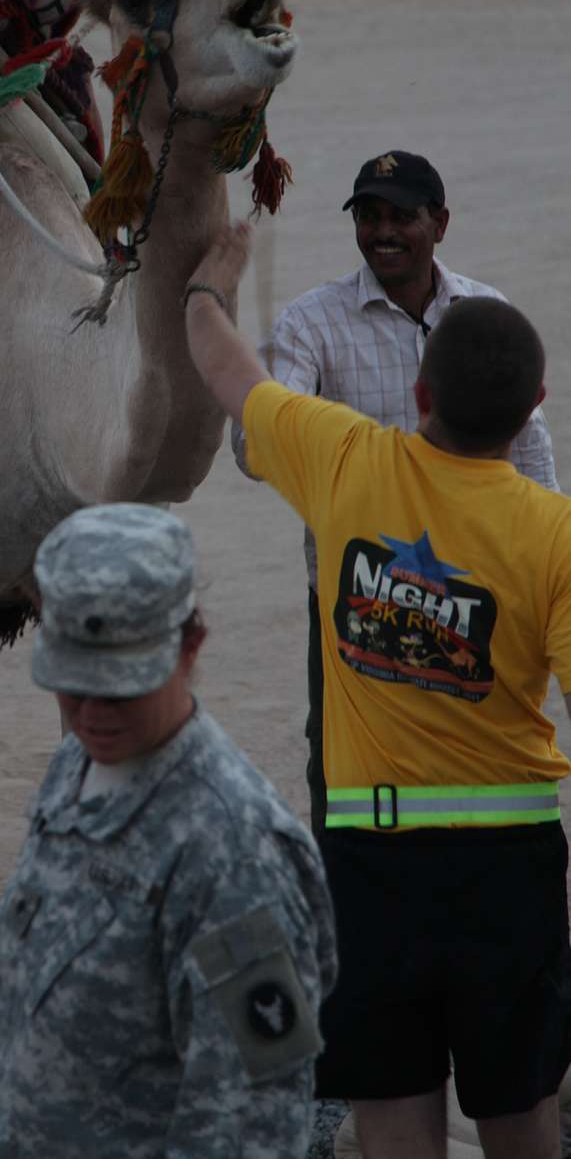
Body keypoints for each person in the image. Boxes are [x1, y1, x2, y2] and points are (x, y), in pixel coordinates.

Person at [185, 227, 571, 1159]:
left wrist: (204, 288)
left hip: (369, 861)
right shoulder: (554, 533)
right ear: (534, 411)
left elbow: (228, 373)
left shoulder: (347, 459)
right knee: (522, 1122)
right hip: (512, 865)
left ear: (420, 394)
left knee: (392, 1123)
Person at [0, 503, 337, 1159]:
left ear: (190, 644)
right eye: (72, 683)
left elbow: (252, 1124)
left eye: (120, 687)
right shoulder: (75, 768)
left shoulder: (235, 854)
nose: (91, 713)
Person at [232, 149, 558, 835]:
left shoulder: (483, 310)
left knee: (480, 755)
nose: (382, 232)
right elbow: (252, 451)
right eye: (369, 216)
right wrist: (269, 422)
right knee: (339, 772)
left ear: (438, 223)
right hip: (357, 597)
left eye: (400, 217)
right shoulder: (308, 323)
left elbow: (529, 445)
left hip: (481, 587)